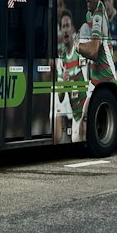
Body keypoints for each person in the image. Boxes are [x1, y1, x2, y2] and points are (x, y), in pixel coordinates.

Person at [53, 9, 87, 143]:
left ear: (72, 28)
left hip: (85, 113)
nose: (66, 30)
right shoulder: (61, 59)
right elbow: (60, 97)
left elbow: (89, 85)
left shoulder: (80, 52)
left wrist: (86, 116)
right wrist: (65, 84)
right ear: (61, 31)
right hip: (75, 116)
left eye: (68, 26)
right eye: (63, 27)